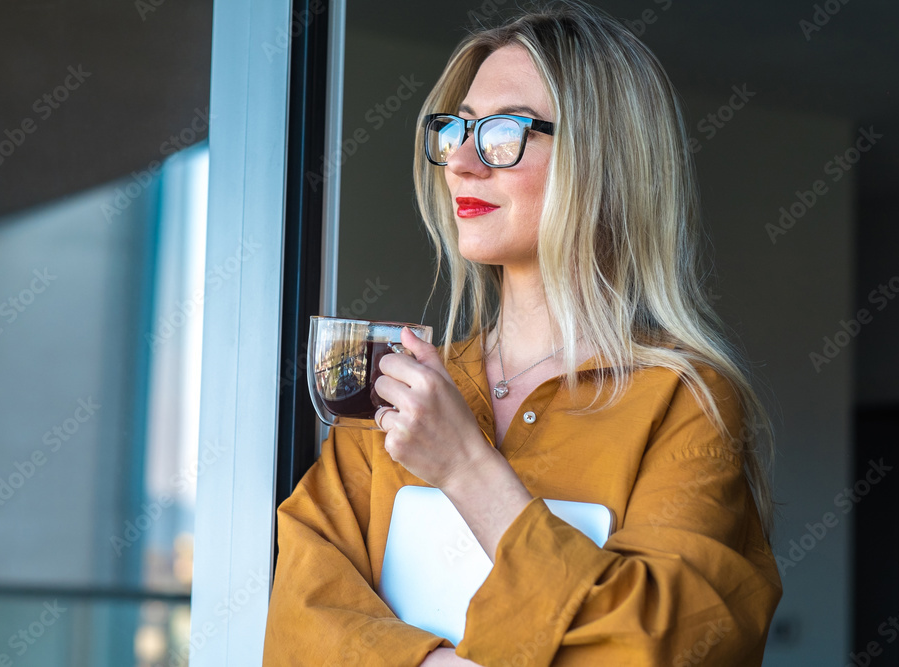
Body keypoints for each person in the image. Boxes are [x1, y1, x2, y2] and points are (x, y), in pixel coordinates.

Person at [264, 2, 782, 665]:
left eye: (503, 133)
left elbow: (669, 646)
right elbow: (297, 619)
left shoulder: (684, 404)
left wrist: (467, 467)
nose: (462, 164)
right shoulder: (402, 383)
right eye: (458, 131)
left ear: (605, 157)